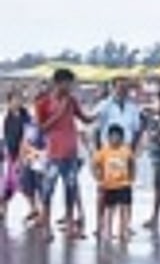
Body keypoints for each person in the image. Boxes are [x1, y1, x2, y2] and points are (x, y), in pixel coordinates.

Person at [37, 68, 95, 241]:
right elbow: (42, 128)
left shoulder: (72, 101)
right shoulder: (43, 103)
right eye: (68, 83)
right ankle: (46, 227)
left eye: (72, 83)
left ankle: (70, 226)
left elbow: (84, 118)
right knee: (48, 191)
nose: (71, 87)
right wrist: (60, 113)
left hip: (71, 153)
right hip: (53, 154)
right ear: (58, 83)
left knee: (70, 190)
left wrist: (99, 114)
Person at [92, 125, 135, 241]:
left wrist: (132, 177)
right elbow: (95, 164)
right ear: (108, 138)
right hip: (109, 185)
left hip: (124, 184)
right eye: (113, 137)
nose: (115, 139)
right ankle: (108, 231)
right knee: (109, 209)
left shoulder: (126, 150)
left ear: (122, 138)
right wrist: (98, 178)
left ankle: (124, 231)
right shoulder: (104, 151)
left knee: (125, 208)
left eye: (118, 137)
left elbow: (132, 163)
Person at [141, 92, 160, 234]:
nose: (154, 105)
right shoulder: (152, 117)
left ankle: (157, 218)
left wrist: (158, 137)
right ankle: (156, 217)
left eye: (156, 102)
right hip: (156, 158)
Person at [1, 91, 32, 223]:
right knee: (6, 184)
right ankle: (3, 211)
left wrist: (22, 155)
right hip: (8, 154)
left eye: (19, 100)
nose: (17, 102)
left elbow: (29, 136)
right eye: (14, 100)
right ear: (9, 102)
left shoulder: (26, 117)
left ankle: (34, 208)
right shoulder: (5, 117)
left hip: (24, 155)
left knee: (23, 183)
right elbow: (3, 137)